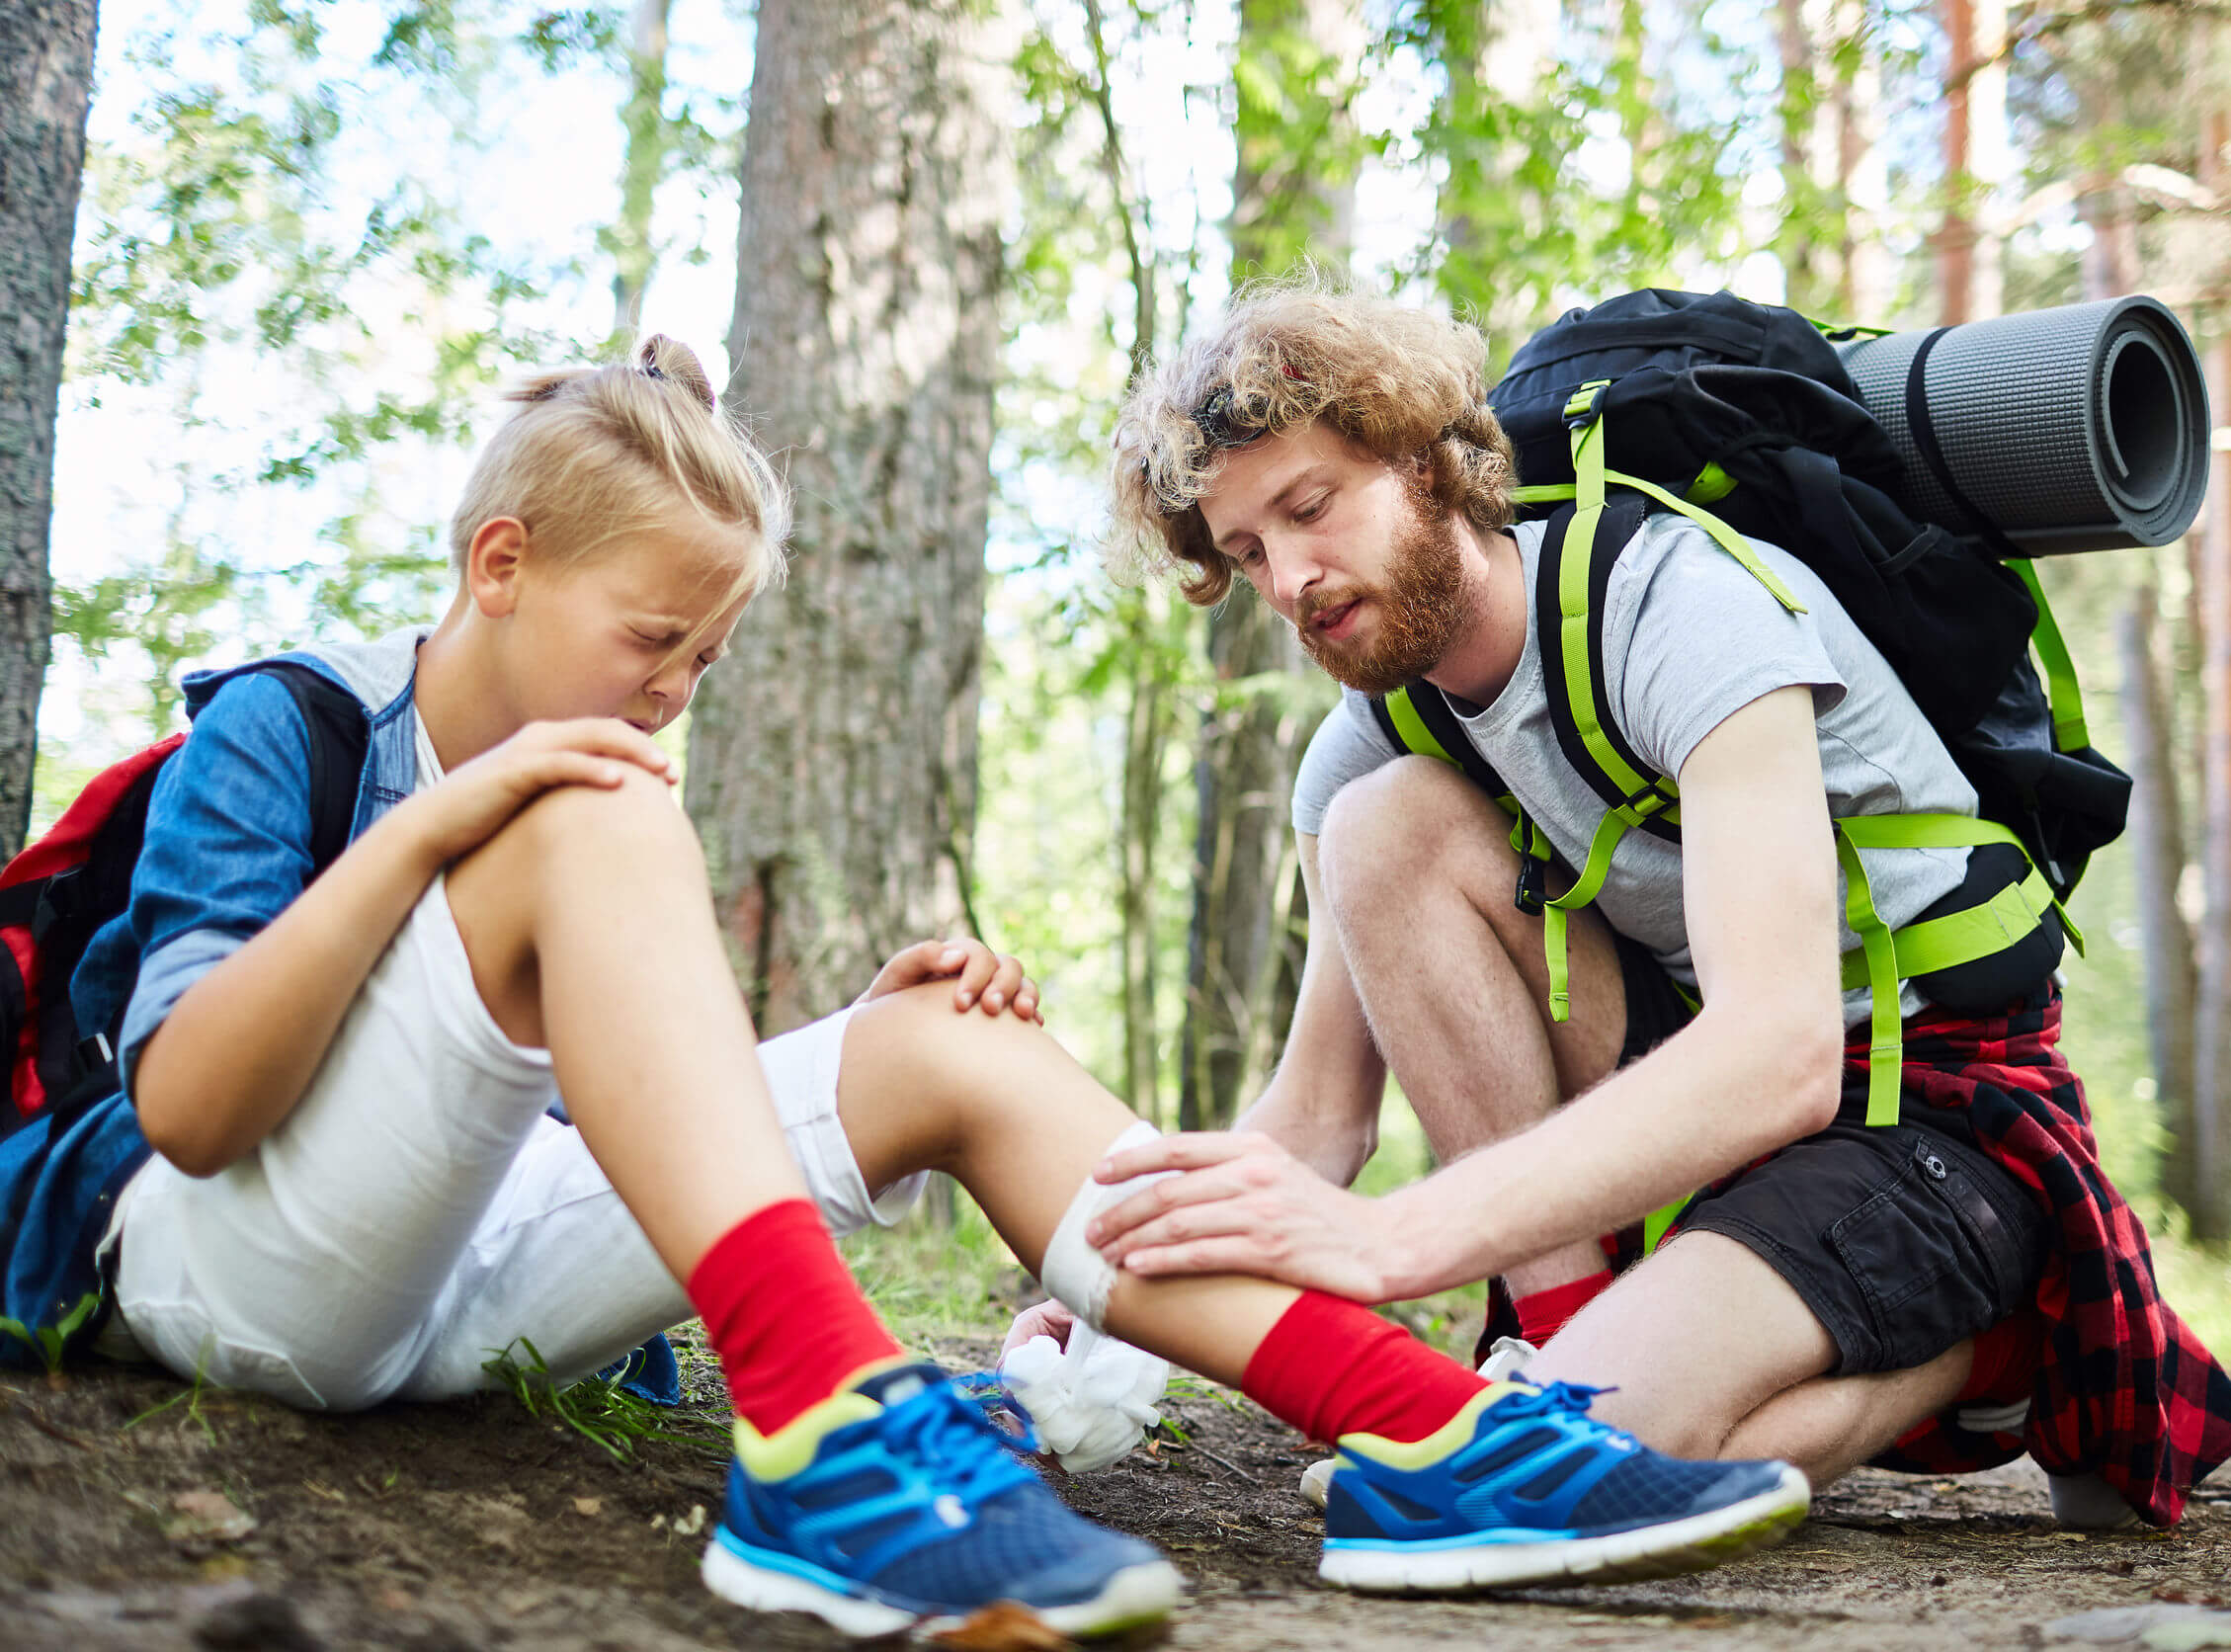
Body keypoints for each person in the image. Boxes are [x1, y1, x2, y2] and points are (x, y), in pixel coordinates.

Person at [1, 335, 1810, 1640]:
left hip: (449, 1283)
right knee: (590, 819)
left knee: (942, 1028)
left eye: (702, 662)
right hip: (221, 1263)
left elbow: (530, 1118)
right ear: (497, 567)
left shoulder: (589, 784)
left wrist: (847, 1051)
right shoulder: (294, 728)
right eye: (653, 644)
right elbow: (190, 1112)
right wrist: (442, 828)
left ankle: (1437, 1431)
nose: (671, 698)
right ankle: (823, 1442)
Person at [1090, 281, 2231, 1530]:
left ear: (1425, 464)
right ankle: (1555, 1352)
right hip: (1691, 1096)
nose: (1289, 580)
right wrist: (1114, 1273)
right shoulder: (1372, 734)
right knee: (1388, 825)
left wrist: (1402, 1241)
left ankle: (1990, 1340)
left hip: (1921, 1100)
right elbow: (1318, 1117)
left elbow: (1781, 1053)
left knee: (1589, 1463)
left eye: (1311, 508)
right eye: (1249, 550)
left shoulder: (1671, 608)